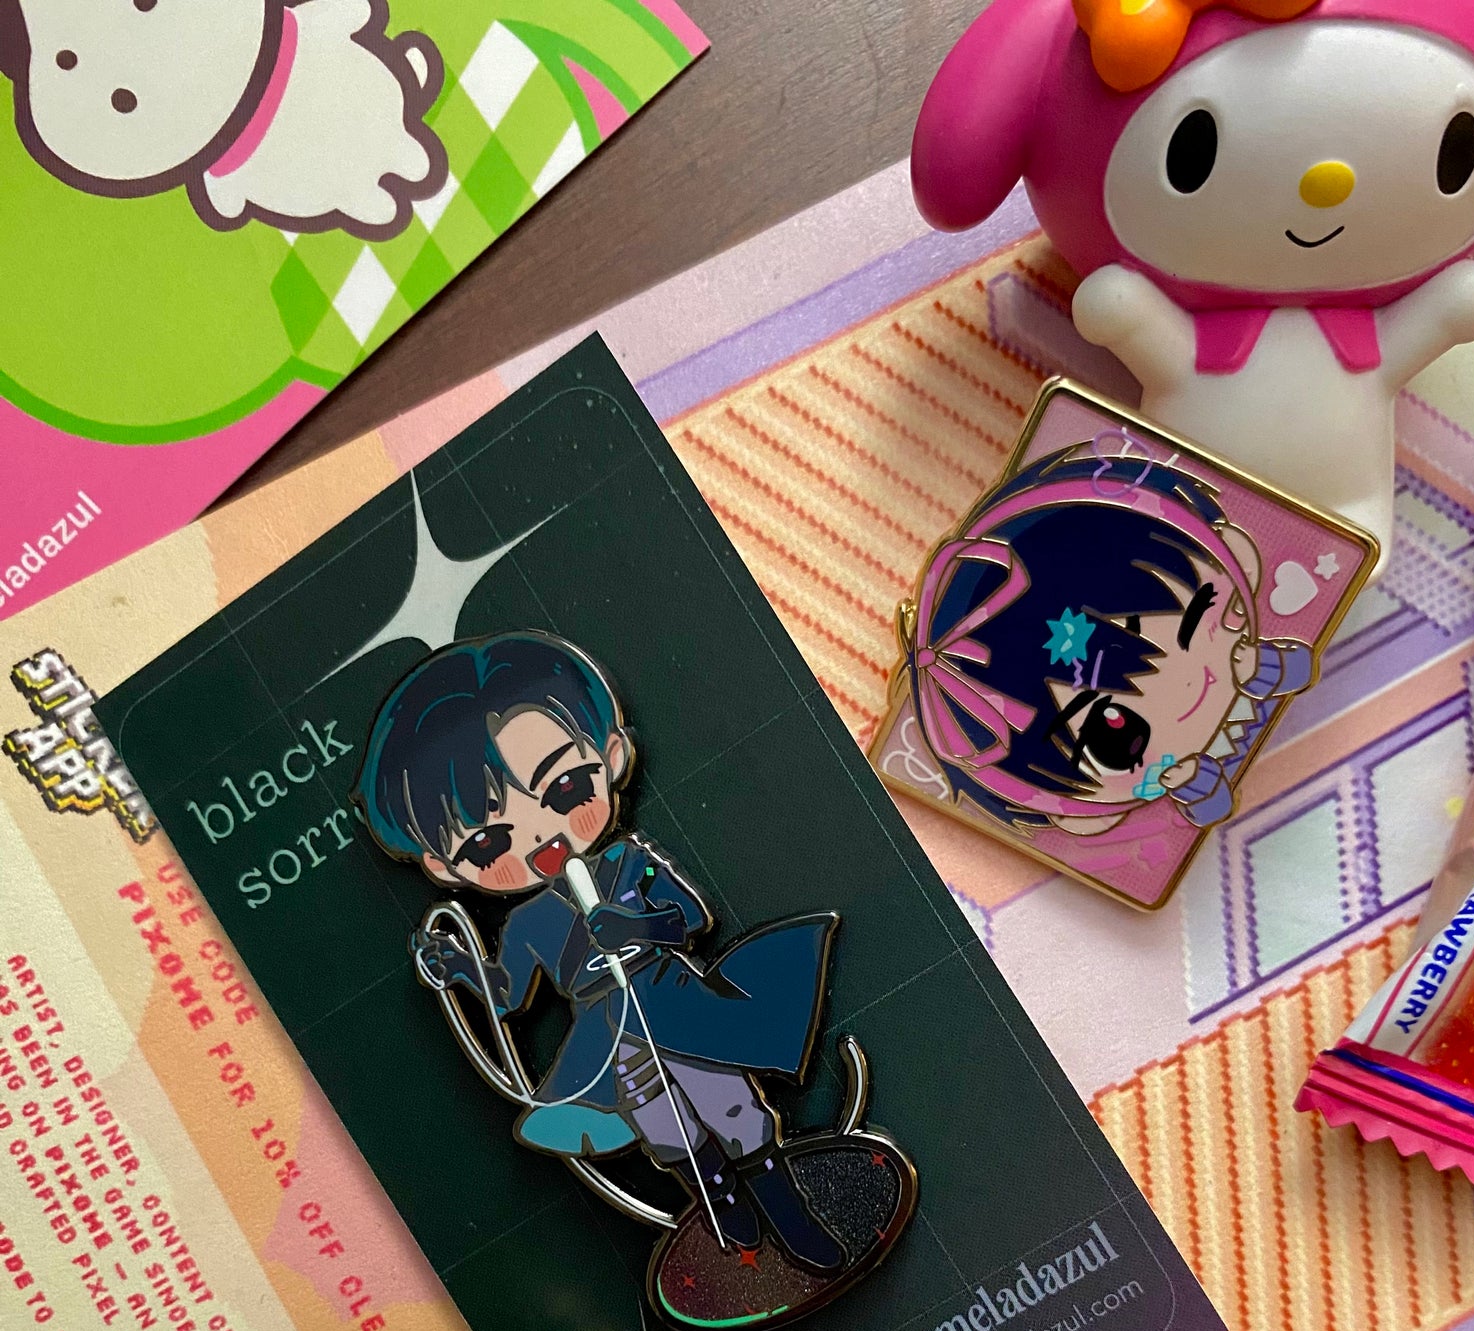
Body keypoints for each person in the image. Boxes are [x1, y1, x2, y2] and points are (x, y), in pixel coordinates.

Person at [354, 629, 847, 1271]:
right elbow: (508, 998)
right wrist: (460, 968)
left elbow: (690, 918)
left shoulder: (630, 862)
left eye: (565, 788)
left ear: (612, 757)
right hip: (610, 1041)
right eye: (488, 843)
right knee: (666, 1129)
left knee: (731, 1106)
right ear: (445, 868)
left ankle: (790, 1211)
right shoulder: (527, 922)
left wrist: (638, 929)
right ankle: (728, 1215)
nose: (540, 836)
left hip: (677, 1006)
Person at [906, 448, 1312, 906]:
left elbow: (1297, 661)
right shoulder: (1179, 777)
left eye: (1193, 622)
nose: (1194, 690)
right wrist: (1199, 792)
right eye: (1118, 733)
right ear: (1085, 815)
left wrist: (1265, 665)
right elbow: (1210, 807)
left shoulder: (1246, 656)